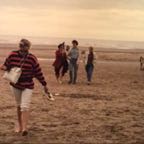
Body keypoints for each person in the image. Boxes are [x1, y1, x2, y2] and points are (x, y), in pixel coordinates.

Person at [0, 39, 49, 136]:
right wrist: (4, 67)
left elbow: (38, 72)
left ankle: (24, 128)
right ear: (19, 46)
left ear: (28, 47)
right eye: (21, 45)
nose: (23, 47)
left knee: (25, 106)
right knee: (19, 105)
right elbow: (5, 65)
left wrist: (44, 84)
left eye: (25, 46)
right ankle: (20, 125)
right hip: (15, 85)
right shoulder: (12, 54)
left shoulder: (32, 58)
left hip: (28, 85)